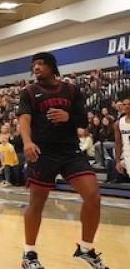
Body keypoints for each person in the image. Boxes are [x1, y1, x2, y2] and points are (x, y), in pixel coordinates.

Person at [19, 52, 108, 269]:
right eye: (34, 65)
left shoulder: (72, 90)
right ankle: (29, 254)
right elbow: (24, 119)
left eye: (41, 64)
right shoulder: (28, 92)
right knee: (36, 204)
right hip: (42, 152)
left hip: (70, 151)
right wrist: (27, 142)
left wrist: (68, 117)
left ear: (52, 67)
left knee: (93, 196)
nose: (36, 68)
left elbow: (82, 120)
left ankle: (86, 248)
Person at [114, 98, 130, 183]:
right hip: (126, 155)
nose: (127, 106)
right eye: (124, 104)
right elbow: (118, 143)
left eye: (129, 104)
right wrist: (117, 161)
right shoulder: (118, 123)